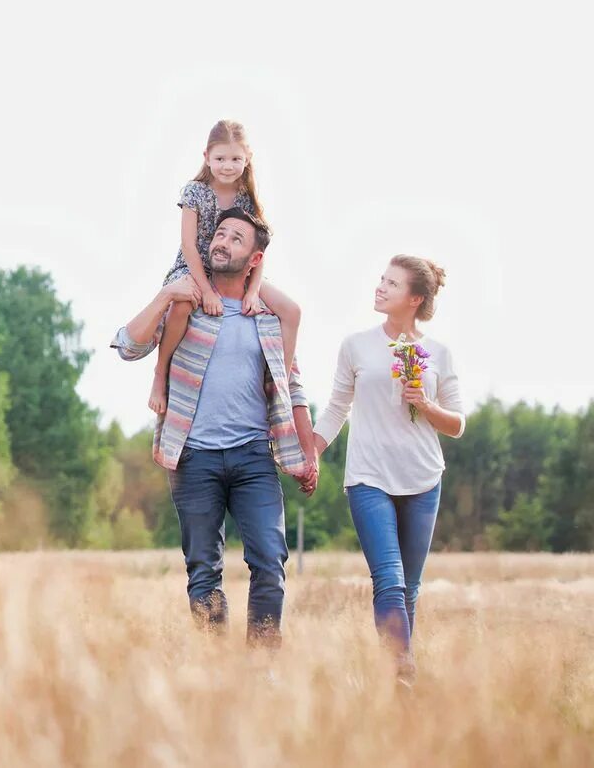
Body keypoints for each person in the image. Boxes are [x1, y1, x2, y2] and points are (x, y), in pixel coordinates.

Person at [113, 208, 318, 645]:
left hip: (253, 457)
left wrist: (308, 452)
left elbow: (291, 386)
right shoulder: (188, 303)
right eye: (220, 233)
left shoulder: (267, 316)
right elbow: (128, 346)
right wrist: (166, 293)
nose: (222, 241)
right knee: (203, 568)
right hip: (193, 457)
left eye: (237, 238)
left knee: (269, 558)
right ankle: (216, 671)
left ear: (255, 259)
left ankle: (261, 666)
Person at [312, 255, 465, 685]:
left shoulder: (438, 353)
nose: (379, 287)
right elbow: (338, 407)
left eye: (391, 283)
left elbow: (456, 424)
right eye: (382, 279)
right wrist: (313, 452)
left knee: (410, 591)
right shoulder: (356, 345)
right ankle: (404, 673)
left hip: (422, 479)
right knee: (391, 581)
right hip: (368, 477)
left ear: (414, 299)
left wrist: (426, 405)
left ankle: (398, 692)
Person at [149, 120, 302, 415]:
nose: (228, 166)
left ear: (247, 159)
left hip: (238, 268)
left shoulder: (247, 196)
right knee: (181, 305)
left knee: (291, 310)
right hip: (195, 267)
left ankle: (277, 386)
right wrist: (205, 290)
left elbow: (260, 248)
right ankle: (160, 372)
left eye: (235, 159)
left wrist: (253, 290)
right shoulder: (195, 191)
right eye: (220, 159)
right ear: (207, 157)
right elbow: (188, 245)